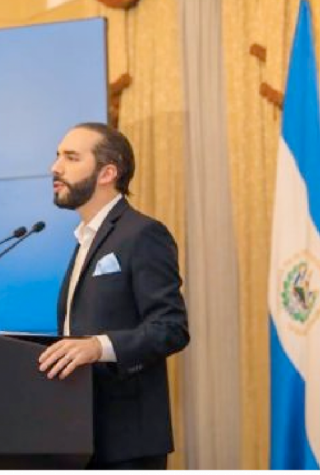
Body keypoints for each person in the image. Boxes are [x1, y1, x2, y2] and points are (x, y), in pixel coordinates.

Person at [38, 122, 189, 471]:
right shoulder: (85, 240)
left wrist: (98, 347)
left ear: (107, 173)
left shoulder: (142, 234)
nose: (55, 168)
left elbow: (171, 328)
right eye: (58, 156)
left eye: (71, 157)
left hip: (126, 445)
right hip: (78, 437)